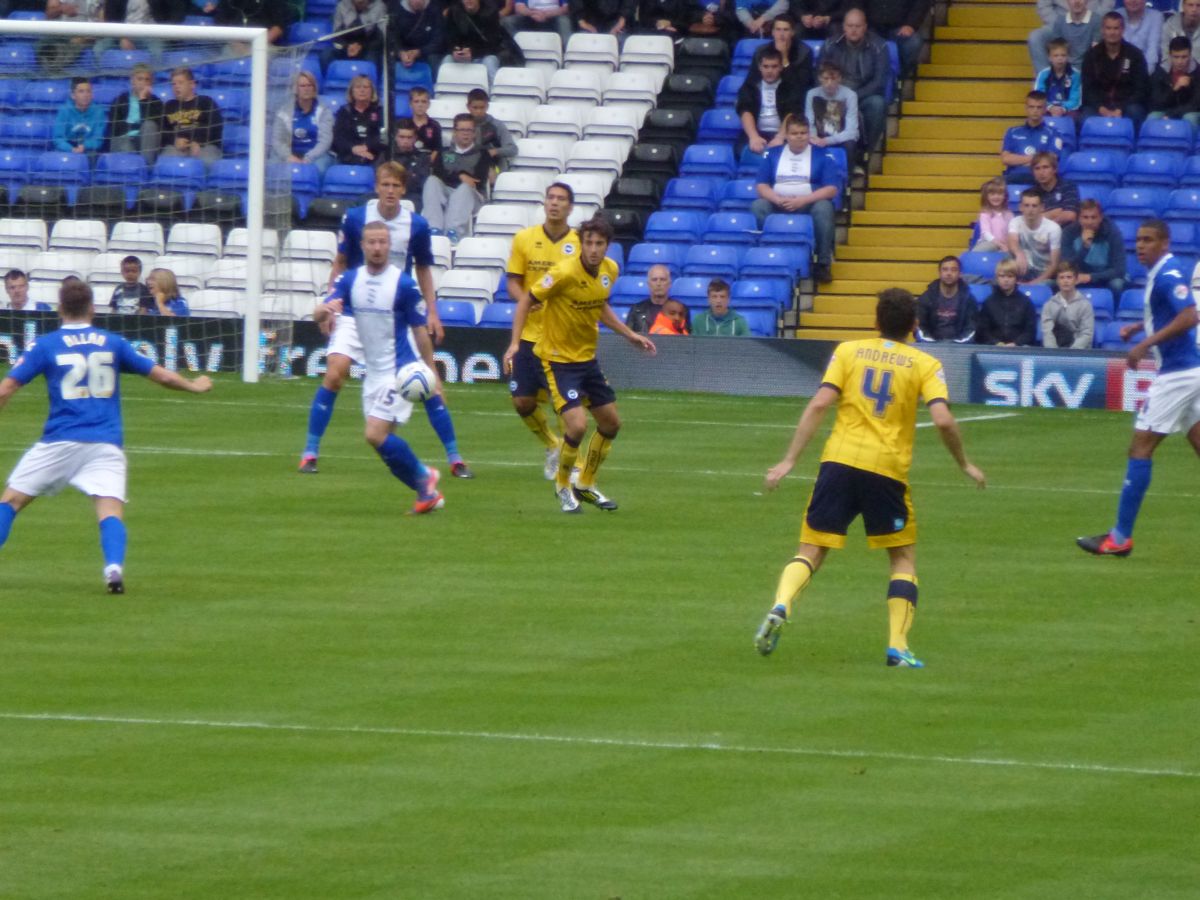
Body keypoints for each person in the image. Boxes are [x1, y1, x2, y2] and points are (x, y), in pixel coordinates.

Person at [753, 287, 986, 666]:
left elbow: (820, 403)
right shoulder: (925, 364)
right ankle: (898, 646)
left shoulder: (848, 351)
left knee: (810, 550)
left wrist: (788, 460)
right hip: (886, 470)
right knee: (902, 558)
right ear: (915, 325)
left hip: (838, 463)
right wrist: (964, 463)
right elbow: (942, 419)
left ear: (875, 321)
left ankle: (781, 604)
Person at [0, 280, 212, 594]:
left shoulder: (45, 345)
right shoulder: (112, 342)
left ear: (60, 309)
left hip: (61, 440)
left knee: (12, 501)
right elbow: (162, 375)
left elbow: (7, 388)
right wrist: (194, 385)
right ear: (92, 309)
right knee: (110, 510)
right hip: (105, 441)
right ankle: (113, 569)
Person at [301, 162, 465, 477]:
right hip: (354, 310)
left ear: (403, 190)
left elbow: (423, 269)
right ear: (377, 187)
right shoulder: (358, 218)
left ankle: (455, 457)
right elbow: (341, 262)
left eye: (396, 186)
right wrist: (329, 303)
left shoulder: (415, 225)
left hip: (394, 316)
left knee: (427, 382)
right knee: (335, 374)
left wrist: (432, 311)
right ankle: (310, 452)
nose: (390, 191)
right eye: (385, 185)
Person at [503, 215, 657, 513]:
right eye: (589, 243)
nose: (594, 249)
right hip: (558, 361)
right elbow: (526, 300)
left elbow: (599, 306)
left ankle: (585, 484)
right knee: (577, 425)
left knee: (611, 423)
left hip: (587, 360)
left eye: (600, 244)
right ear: (581, 244)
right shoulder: (562, 273)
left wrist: (629, 335)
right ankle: (563, 486)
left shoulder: (609, 271)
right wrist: (514, 343)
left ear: (607, 247)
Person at [1078, 219, 1200, 556]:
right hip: (1190, 371)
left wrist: (1144, 343)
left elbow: (1190, 316)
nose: (1140, 246)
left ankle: (1119, 538)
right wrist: (1138, 327)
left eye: (1147, 240)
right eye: (1138, 240)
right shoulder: (1162, 272)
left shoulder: (1168, 274)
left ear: (1165, 242)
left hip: (1177, 375)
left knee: (1140, 447)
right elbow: (1172, 314)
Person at [313, 221, 445, 515]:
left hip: (400, 370)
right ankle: (426, 485)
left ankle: (424, 482)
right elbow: (317, 314)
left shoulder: (403, 284)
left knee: (374, 433)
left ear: (389, 245)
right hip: (373, 373)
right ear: (362, 246)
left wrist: (432, 373)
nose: (377, 248)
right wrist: (324, 311)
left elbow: (420, 331)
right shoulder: (350, 280)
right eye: (371, 242)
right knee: (381, 442)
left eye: (382, 242)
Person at [504, 182, 580, 480]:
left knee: (565, 405)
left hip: (561, 337)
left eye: (561, 199)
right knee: (522, 401)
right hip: (528, 335)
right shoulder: (525, 238)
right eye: (550, 197)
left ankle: (572, 462)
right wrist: (525, 301)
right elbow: (513, 281)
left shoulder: (578, 243)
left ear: (570, 207)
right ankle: (553, 445)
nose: (555, 203)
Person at [751, 114, 840, 284]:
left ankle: (822, 263)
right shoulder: (772, 154)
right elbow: (761, 185)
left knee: (824, 208)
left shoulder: (822, 154)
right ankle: (767, 254)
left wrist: (803, 200)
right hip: (778, 203)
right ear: (786, 135)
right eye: (794, 133)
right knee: (758, 206)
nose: (799, 137)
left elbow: (831, 189)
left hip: (808, 204)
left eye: (803, 133)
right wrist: (777, 199)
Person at [820, 8, 889, 158]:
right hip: (835, 94)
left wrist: (853, 97)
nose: (853, 30)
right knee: (824, 101)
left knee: (878, 104)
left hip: (864, 95)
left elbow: (879, 81)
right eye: (850, 26)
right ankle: (832, 156)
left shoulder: (879, 46)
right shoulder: (830, 45)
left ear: (865, 27)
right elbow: (820, 74)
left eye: (857, 26)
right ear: (844, 27)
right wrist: (836, 93)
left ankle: (865, 155)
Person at [421, 114, 489, 243]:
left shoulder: (483, 154)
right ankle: (434, 229)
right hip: (447, 191)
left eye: (469, 130)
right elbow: (438, 173)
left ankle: (453, 232)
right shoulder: (444, 152)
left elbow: (477, 180)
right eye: (462, 130)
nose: (466, 134)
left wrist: (452, 175)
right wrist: (460, 175)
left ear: (474, 133)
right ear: (454, 132)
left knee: (465, 187)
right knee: (431, 181)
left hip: (472, 195)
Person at [1080, 11, 1150, 127]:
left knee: (1135, 112)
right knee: (1085, 119)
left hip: (1127, 106)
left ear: (1123, 30)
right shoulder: (1091, 55)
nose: (1112, 32)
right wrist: (1101, 109)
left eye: (1116, 28)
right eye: (1108, 28)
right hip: (1099, 106)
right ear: (1102, 30)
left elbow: (1141, 90)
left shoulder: (1135, 55)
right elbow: (1087, 89)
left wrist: (1120, 109)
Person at [737, 48, 804, 153]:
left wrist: (780, 137)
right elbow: (745, 111)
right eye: (766, 66)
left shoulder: (790, 87)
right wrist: (754, 137)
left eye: (774, 66)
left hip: (783, 133)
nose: (769, 71)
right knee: (740, 150)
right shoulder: (750, 87)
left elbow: (792, 112)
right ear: (760, 67)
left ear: (781, 67)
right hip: (757, 132)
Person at [1029, 0, 1114, 77]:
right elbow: (1044, 5)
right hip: (1056, 20)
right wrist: (1060, 22)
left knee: (1112, 29)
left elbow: (1107, 3)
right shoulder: (1059, 21)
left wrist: (1094, 18)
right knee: (1036, 37)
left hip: (1093, 19)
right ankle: (1046, 80)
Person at [272, 70, 334, 173]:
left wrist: (309, 158)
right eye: (302, 86)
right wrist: (289, 157)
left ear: (314, 89)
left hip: (316, 155)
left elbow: (325, 141)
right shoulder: (284, 112)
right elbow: (278, 140)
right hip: (291, 154)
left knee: (319, 168)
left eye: (310, 85)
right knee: (274, 166)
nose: (306, 89)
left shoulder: (324, 111)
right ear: (296, 89)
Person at [1060, 198, 1126, 295]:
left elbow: (1119, 270)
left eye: (1093, 217)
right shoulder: (1069, 233)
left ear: (1100, 218)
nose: (1089, 222)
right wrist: (1085, 248)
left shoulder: (1112, 232)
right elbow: (1067, 267)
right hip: (1079, 277)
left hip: (1105, 277)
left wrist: (1091, 277)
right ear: (1079, 218)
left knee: (1117, 284)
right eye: (1085, 217)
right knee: (1063, 281)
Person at [446, 0, 520, 85]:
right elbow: (449, 39)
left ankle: (494, 92)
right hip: (461, 55)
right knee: (446, 61)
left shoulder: (491, 12)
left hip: (484, 55)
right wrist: (455, 50)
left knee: (490, 62)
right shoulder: (453, 12)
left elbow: (493, 44)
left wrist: (472, 53)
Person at [160, 67, 224, 164]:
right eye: (173, 84)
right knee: (167, 162)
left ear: (192, 84)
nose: (176, 87)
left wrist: (198, 141)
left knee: (207, 160)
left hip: (204, 146)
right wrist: (175, 140)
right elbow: (162, 130)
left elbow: (216, 127)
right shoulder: (169, 106)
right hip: (177, 148)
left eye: (180, 83)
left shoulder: (206, 102)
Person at [856, 0, 928, 84]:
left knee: (913, 42)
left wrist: (911, 25)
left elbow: (921, 3)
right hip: (871, 28)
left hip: (900, 28)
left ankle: (900, 77)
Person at [1000, 91, 1064, 184]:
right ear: (1026, 108)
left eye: (1039, 107)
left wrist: (1018, 160)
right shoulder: (1012, 132)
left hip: (1040, 180)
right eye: (1031, 107)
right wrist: (1036, 157)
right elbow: (1006, 159)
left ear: (1045, 109)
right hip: (1014, 178)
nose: (1035, 110)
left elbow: (1051, 159)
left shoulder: (1054, 133)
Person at [107, 63, 165, 165]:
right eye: (140, 79)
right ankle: (137, 169)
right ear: (132, 80)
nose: (143, 83)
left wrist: (143, 100)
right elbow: (114, 128)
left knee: (149, 125)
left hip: (145, 142)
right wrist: (135, 126)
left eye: (147, 80)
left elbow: (156, 128)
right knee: (126, 145)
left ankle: (146, 169)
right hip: (123, 139)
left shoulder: (156, 102)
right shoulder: (120, 100)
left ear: (151, 83)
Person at [747, 15, 816, 100]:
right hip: (765, 95)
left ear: (792, 32)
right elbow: (751, 81)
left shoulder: (804, 52)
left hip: (792, 99)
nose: (781, 34)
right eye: (778, 29)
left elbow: (800, 86)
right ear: (772, 32)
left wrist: (784, 57)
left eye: (786, 30)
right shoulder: (761, 51)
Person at [805, 61, 860, 165]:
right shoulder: (812, 94)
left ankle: (847, 178)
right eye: (826, 79)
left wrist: (828, 141)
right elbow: (809, 122)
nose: (829, 83)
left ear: (840, 79)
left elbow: (851, 131)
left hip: (841, 137)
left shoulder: (850, 95)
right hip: (818, 136)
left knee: (850, 144)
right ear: (820, 78)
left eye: (833, 79)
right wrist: (813, 137)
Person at [976, 259, 1038, 346]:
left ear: (1016, 279)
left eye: (1010, 276)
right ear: (997, 278)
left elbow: (1030, 331)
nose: (1006, 280)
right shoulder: (989, 302)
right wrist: (996, 343)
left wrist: (1016, 343)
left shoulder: (1026, 302)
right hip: (993, 349)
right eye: (1002, 276)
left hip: (1019, 349)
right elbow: (983, 330)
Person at [915, 255, 976, 342]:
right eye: (945, 269)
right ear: (939, 273)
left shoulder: (968, 299)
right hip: (930, 346)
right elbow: (920, 327)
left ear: (960, 274)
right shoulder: (927, 297)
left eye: (953, 270)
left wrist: (957, 345)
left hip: (960, 347)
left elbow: (971, 329)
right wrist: (932, 345)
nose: (949, 273)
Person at [1008, 188, 1062, 284]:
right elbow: (1012, 241)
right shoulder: (1015, 222)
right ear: (1021, 207)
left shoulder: (1053, 228)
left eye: (1034, 206)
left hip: (1045, 274)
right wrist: (1018, 253)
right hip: (1023, 269)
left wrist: (1033, 284)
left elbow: (1054, 264)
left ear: (1042, 207)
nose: (1030, 210)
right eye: (1027, 205)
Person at [331, 74, 385, 166]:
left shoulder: (380, 111)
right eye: (358, 87)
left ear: (372, 91)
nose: (362, 90)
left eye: (366, 87)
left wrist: (367, 147)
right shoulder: (344, 111)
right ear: (352, 91)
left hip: (374, 154)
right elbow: (338, 137)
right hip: (348, 153)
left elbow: (383, 135)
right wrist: (353, 148)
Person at [1041, 260, 1095, 348]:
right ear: (1057, 281)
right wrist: (1053, 353)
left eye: (1069, 277)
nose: (1065, 281)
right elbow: (1047, 333)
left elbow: (1086, 333)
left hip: (1079, 354)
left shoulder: (1085, 305)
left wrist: (1071, 353)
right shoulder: (1049, 305)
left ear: (1076, 280)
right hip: (1054, 354)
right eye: (1062, 278)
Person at [1149, 36, 1200, 126]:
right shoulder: (1161, 71)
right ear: (1170, 55)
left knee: (1190, 118)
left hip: (1189, 112)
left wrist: (1172, 115)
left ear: (1190, 55)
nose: (1180, 61)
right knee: (1152, 117)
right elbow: (1156, 102)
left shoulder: (1197, 72)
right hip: (1165, 111)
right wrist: (1174, 89)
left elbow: (1196, 104)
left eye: (1184, 57)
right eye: (1176, 57)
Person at [625, 264, 691, 334]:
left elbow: (686, 340)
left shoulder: (681, 310)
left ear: (669, 284)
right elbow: (628, 337)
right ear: (648, 284)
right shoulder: (636, 310)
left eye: (662, 279)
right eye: (654, 280)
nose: (658, 283)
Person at [325, 0, 387, 73]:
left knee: (372, 59)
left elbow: (381, 37)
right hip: (345, 46)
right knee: (327, 55)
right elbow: (336, 34)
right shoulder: (342, 5)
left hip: (368, 47)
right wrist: (346, 46)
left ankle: (370, 83)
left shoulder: (379, 6)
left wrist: (361, 46)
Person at [467, 89, 518, 175]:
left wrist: (494, 151)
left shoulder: (497, 125)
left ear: (487, 106)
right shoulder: (462, 126)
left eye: (482, 107)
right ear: (468, 107)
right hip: (468, 167)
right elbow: (454, 148)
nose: (479, 111)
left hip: (495, 168)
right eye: (475, 108)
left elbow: (512, 149)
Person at [53, 77, 106, 159]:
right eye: (81, 91)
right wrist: (71, 149)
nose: (86, 95)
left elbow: (98, 140)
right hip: (68, 149)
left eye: (88, 91)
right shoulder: (64, 110)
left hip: (88, 151)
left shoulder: (99, 112)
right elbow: (58, 139)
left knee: (93, 155)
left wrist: (84, 146)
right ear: (73, 95)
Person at [390, 0, 446, 76]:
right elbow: (393, 37)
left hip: (426, 51)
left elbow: (438, 40)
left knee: (434, 59)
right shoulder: (397, 11)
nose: (418, 1)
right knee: (389, 58)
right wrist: (400, 53)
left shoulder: (434, 10)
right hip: (404, 51)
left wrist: (419, 52)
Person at [1034, 38, 1082, 119]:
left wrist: (1063, 109)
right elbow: (1038, 97)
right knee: (1036, 116)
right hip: (1047, 109)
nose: (1060, 58)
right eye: (1056, 55)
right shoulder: (1043, 74)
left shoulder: (1075, 75)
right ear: (1049, 58)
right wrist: (1050, 107)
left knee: (1076, 118)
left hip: (1068, 110)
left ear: (1068, 57)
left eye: (1063, 55)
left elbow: (1076, 99)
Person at [1030, 151, 1079, 227]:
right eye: (1037, 168)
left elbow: (1070, 215)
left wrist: (1043, 218)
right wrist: (1054, 213)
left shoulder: (1068, 186)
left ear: (1055, 169)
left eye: (1045, 167)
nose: (1041, 172)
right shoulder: (1031, 193)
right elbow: (1029, 220)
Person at [390, 119, 432, 206]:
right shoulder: (386, 155)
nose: (405, 141)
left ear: (415, 138)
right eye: (402, 137)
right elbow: (379, 178)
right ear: (395, 137)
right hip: (388, 193)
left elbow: (421, 183)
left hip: (412, 197)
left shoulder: (423, 158)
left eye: (409, 137)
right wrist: (410, 176)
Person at [208, 0, 292, 43]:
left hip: (266, 46)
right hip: (233, 45)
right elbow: (221, 22)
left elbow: (279, 26)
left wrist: (259, 46)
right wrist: (235, 43)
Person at [1119, 0, 1162, 73]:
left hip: (1144, 73)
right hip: (1118, 74)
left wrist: (1143, 78)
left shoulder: (1156, 17)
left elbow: (1152, 53)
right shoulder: (1117, 15)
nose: (1133, 1)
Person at [504, 0, 572, 46]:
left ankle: (566, 53)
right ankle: (517, 52)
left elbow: (566, 8)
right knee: (508, 22)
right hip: (531, 16)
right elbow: (519, 7)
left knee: (564, 21)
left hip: (554, 15)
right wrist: (531, 13)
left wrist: (547, 14)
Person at [973, 177, 1014, 252]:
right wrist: (999, 244)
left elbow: (1011, 232)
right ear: (987, 197)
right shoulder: (985, 214)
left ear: (1004, 196)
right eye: (992, 194)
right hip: (989, 243)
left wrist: (1007, 245)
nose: (996, 197)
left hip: (1005, 245)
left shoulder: (1009, 214)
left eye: (1000, 194)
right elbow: (986, 234)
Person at [572, 0, 637, 42]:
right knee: (583, 42)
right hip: (589, 21)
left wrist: (621, 22)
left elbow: (629, 3)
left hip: (617, 20)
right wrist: (582, 22)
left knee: (620, 40)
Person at [1161, 0, 1200, 68]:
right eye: (1190, 5)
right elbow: (1165, 56)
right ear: (1183, 6)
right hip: (1174, 73)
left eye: (1198, 6)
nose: (1194, 9)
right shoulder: (1170, 25)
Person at [406, 87, 443, 159]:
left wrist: (426, 164)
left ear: (429, 104)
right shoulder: (404, 124)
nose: (420, 105)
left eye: (423, 101)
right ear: (410, 104)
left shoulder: (434, 125)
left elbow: (437, 149)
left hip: (427, 163)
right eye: (416, 101)